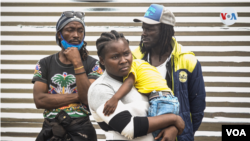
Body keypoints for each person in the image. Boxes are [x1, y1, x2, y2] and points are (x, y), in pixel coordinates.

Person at [87, 30, 185, 141]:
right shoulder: (100, 88)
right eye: (115, 57)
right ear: (102, 60)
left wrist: (172, 127)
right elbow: (129, 128)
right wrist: (173, 119)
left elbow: (158, 110)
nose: (123, 60)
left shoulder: (137, 79)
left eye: (126, 54)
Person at [132, 4, 206, 141]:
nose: (143, 33)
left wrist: (178, 130)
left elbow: (197, 109)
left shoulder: (188, 61)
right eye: (143, 28)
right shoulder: (134, 59)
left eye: (149, 29)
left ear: (166, 30)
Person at [32, 11, 103, 141]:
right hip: (51, 130)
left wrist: (77, 62)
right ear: (59, 34)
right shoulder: (44, 63)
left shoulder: (94, 64)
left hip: (81, 131)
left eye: (80, 31)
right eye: (70, 30)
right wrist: (78, 96)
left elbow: (88, 100)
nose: (76, 35)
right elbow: (40, 100)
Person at [103, 58, 179, 140]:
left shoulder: (132, 66)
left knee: (157, 136)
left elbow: (129, 83)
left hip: (159, 100)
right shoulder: (145, 65)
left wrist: (115, 98)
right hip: (171, 99)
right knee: (165, 131)